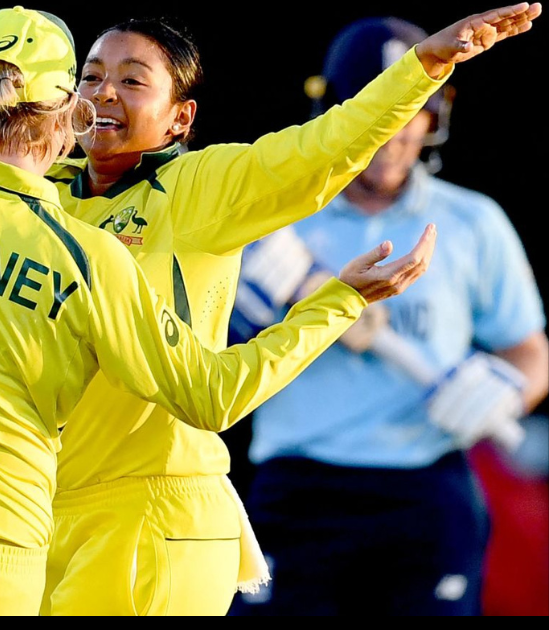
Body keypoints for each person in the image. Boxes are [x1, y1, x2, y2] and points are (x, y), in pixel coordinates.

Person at [0, 0, 539, 615]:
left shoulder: (203, 190)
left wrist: (426, 66)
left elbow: (325, 148)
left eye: (133, 79)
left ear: (180, 118)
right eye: (90, 75)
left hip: (156, 512)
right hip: (43, 515)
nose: (104, 91)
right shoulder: (26, 194)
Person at [228, 16, 548, 616]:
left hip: (424, 485)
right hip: (298, 488)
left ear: (435, 115)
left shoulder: (472, 221)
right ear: (336, 114)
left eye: (414, 107)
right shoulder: (273, 218)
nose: (396, 130)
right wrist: (238, 318)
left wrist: (510, 393)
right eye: (378, 105)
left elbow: (528, 351)